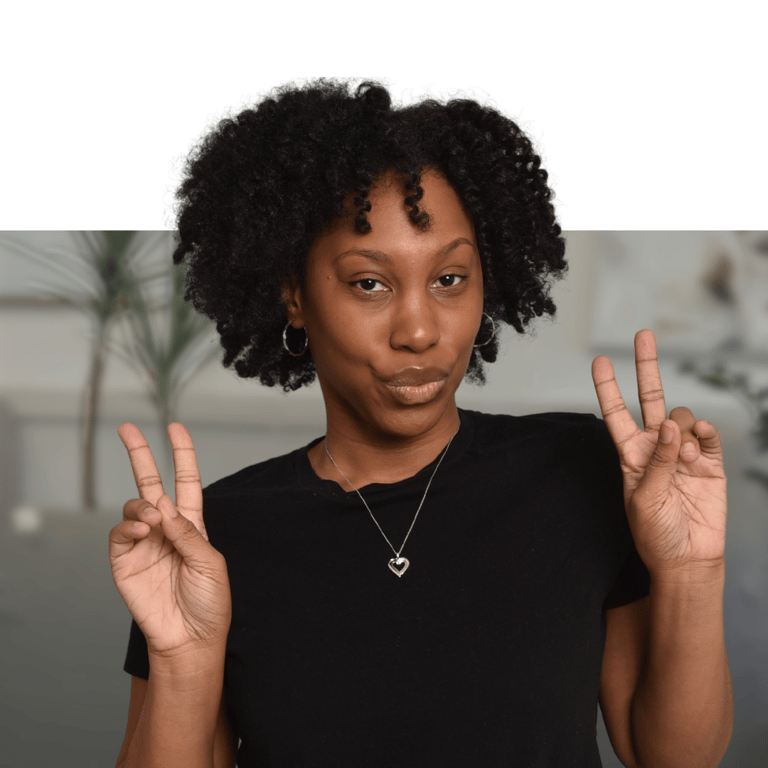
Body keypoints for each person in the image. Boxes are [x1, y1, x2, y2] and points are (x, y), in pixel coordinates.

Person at [108, 79, 733, 768]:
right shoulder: (217, 537)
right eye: (370, 283)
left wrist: (692, 570)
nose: (419, 330)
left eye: (449, 279)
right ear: (294, 295)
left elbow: (672, 758)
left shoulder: (575, 472)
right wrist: (184, 660)